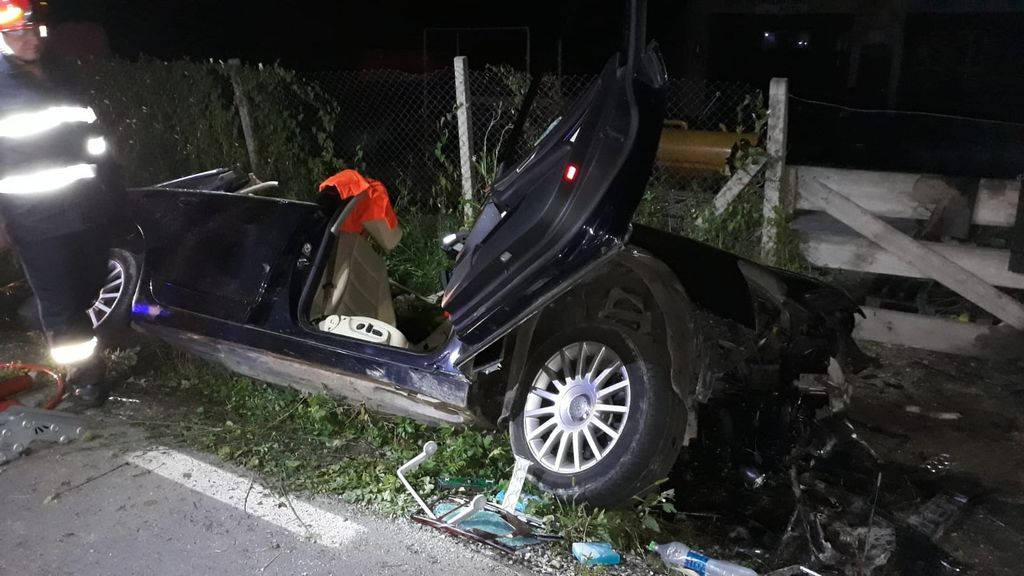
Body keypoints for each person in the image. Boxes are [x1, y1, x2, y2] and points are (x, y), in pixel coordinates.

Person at [0, 0, 120, 407]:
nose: (29, 39)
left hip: (85, 210)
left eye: (33, 30)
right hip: (34, 220)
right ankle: (86, 379)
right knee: (62, 305)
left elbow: (94, 138)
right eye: (18, 33)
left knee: (87, 290)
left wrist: (112, 188)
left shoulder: (62, 75)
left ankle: (63, 325)